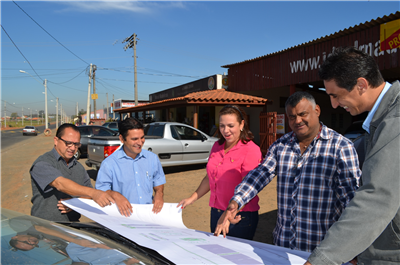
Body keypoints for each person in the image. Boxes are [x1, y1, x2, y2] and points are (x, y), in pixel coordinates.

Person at [214, 92, 361, 252]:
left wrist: (353, 245)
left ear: (317, 110)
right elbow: (259, 175)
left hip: (322, 249)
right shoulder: (280, 146)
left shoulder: (341, 147)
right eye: (291, 117)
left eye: (302, 114)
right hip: (283, 245)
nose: (297, 121)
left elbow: (351, 199)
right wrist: (235, 202)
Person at [305, 47, 400, 265]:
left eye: (336, 95)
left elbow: (376, 199)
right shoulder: (380, 121)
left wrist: (321, 260)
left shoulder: (395, 120)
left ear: (361, 85)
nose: (334, 105)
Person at [178, 105, 262, 240]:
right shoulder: (217, 146)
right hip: (216, 212)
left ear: (242, 124)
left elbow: (250, 187)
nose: (225, 130)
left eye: (230, 125)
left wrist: (229, 214)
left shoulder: (251, 150)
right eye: (222, 126)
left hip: (240, 215)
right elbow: (209, 178)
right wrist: (192, 198)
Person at [30, 123, 129, 222]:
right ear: (56, 140)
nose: (73, 148)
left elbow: (89, 197)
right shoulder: (42, 163)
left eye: (76, 144)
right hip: (44, 227)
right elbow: (60, 184)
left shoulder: (78, 167)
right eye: (68, 143)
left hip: (73, 229)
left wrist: (74, 203)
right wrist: (94, 193)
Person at [95, 117, 166, 214]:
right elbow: (101, 190)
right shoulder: (109, 163)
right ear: (122, 139)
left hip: (149, 214)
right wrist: (115, 195)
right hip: (123, 216)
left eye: (142, 137)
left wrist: (159, 194)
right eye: (134, 139)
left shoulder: (152, 158)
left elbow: (158, 180)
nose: (140, 142)